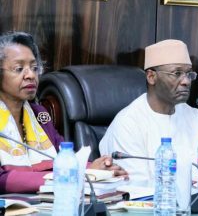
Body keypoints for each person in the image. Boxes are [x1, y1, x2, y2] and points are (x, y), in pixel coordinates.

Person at [0, 31, 127, 194]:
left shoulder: (39, 115)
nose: (30, 75)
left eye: (34, 67)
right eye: (19, 69)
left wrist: (97, 170)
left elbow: (65, 158)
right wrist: (76, 174)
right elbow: (2, 180)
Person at [99, 39, 198, 184]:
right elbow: (135, 186)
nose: (186, 81)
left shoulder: (196, 118)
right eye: (177, 73)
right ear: (151, 77)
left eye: (189, 74)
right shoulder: (128, 122)